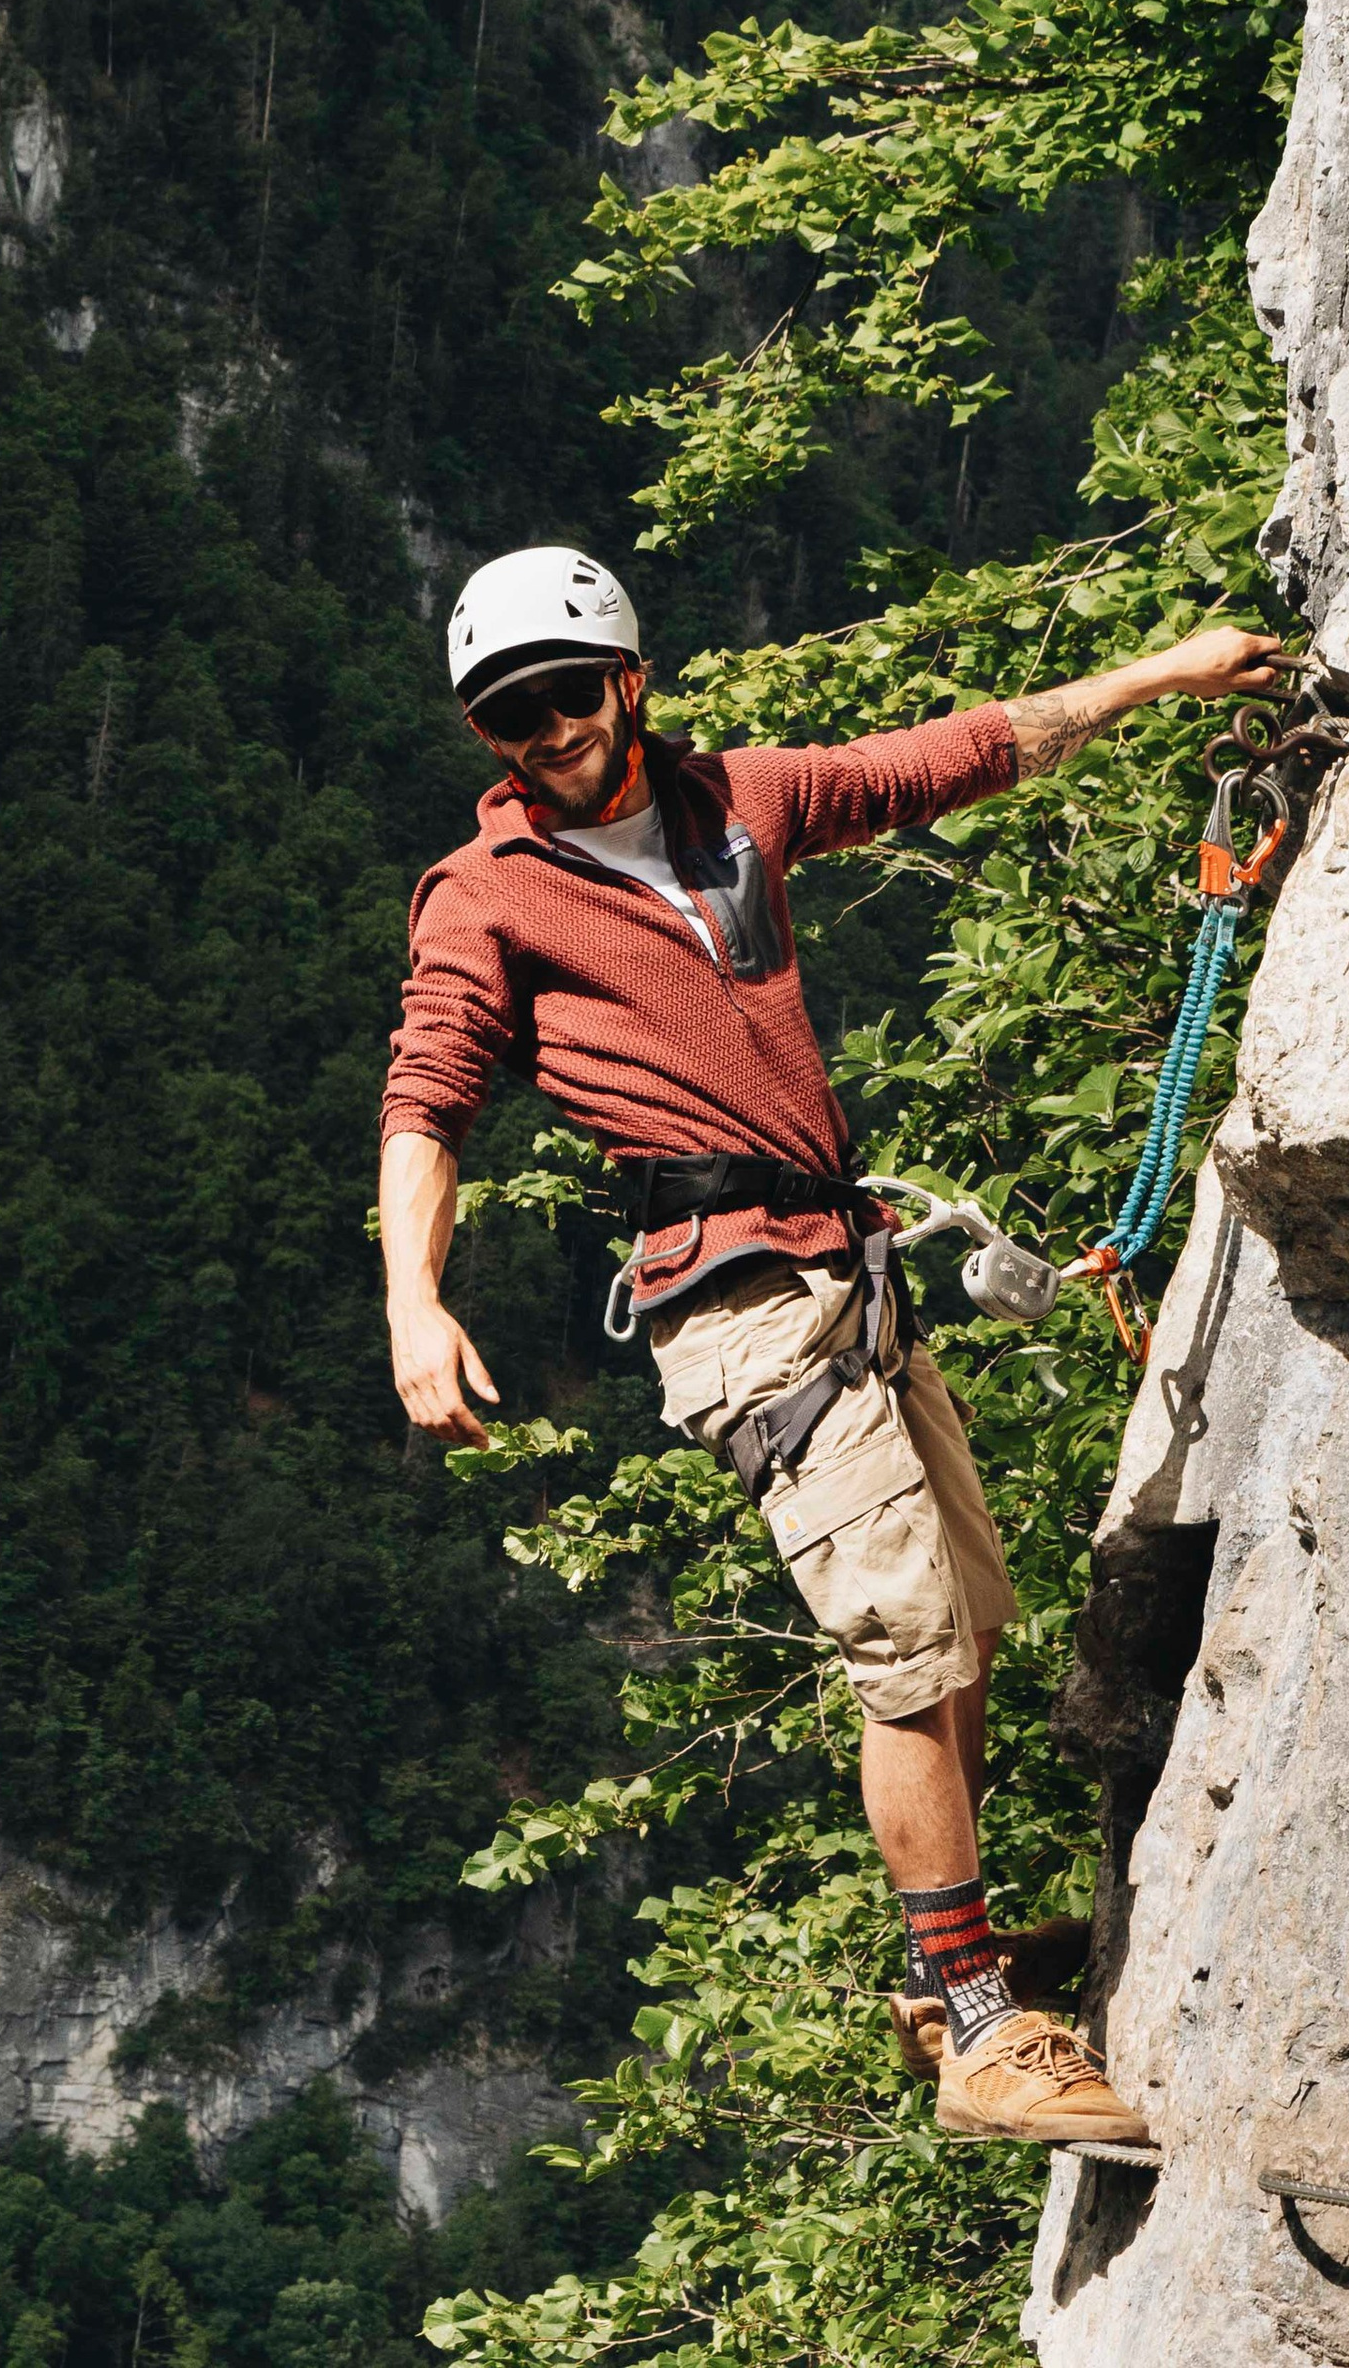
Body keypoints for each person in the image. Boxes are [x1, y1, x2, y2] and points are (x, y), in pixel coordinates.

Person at [377, 545, 1286, 2144]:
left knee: (969, 1628)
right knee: (906, 1651)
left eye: (564, 696)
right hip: (739, 1306)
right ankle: (984, 2028)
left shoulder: (739, 802)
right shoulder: (489, 895)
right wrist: (413, 1303)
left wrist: (1158, 676)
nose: (545, 734)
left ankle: (953, 1974)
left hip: (846, 1279)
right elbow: (429, 1103)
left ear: (627, 682)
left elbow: (950, 757)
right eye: (508, 716)